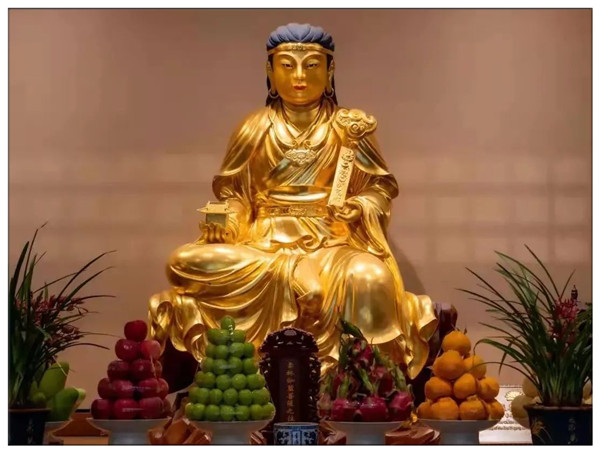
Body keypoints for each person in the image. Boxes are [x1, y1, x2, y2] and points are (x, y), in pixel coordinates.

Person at [149, 23, 438, 391]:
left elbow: (379, 188)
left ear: (330, 71)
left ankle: (356, 385)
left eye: (312, 65)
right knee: (182, 262)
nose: (299, 76)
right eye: (287, 65)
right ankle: (295, 276)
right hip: (264, 246)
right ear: (270, 72)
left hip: (333, 245)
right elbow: (236, 196)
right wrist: (226, 222)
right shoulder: (254, 128)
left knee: (371, 277)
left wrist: (360, 206)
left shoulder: (348, 128)